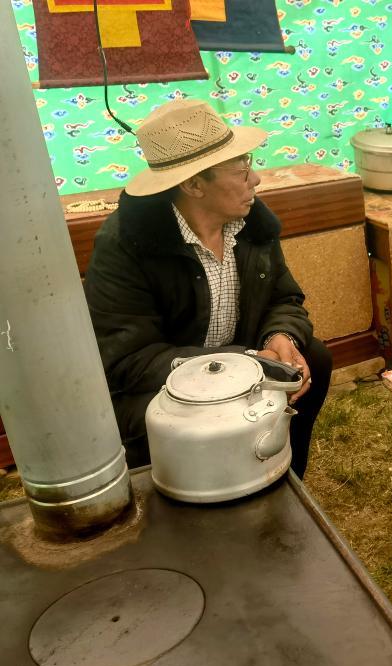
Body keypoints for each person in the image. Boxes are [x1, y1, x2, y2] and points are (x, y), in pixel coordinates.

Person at [84, 99, 330, 478]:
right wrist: (245, 363)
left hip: (243, 360)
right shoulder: (126, 245)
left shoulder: (251, 224)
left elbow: (284, 297)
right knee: (172, 420)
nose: (255, 179)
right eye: (241, 169)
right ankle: (188, 496)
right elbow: (127, 359)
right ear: (194, 184)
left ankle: (285, 478)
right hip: (164, 385)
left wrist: (281, 336)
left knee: (312, 358)